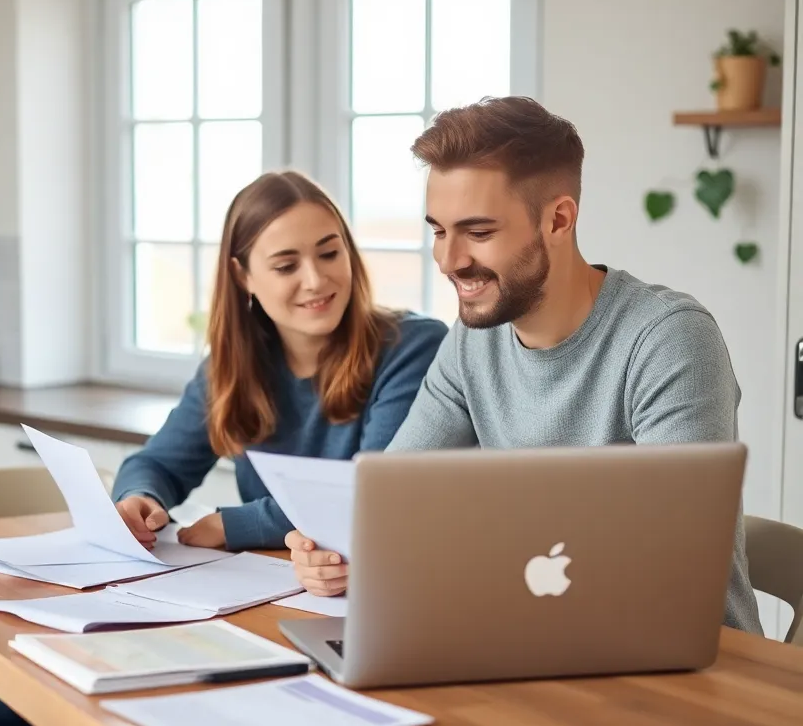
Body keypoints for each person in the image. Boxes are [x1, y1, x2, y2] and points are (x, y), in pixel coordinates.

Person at [0, 170, 447, 726]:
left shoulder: (410, 346)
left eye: (330, 252)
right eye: (286, 263)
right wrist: (141, 498)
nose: (317, 279)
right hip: (243, 616)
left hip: (339, 628)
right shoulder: (235, 364)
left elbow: (372, 490)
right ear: (243, 277)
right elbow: (160, 461)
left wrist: (227, 525)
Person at [288, 95, 762, 638]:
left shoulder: (667, 338)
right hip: (530, 638)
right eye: (439, 230)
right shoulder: (473, 340)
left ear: (558, 219)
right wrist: (341, 551)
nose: (448, 260)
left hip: (690, 665)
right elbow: (391, 504)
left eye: (479, 232)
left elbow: (673, 563)